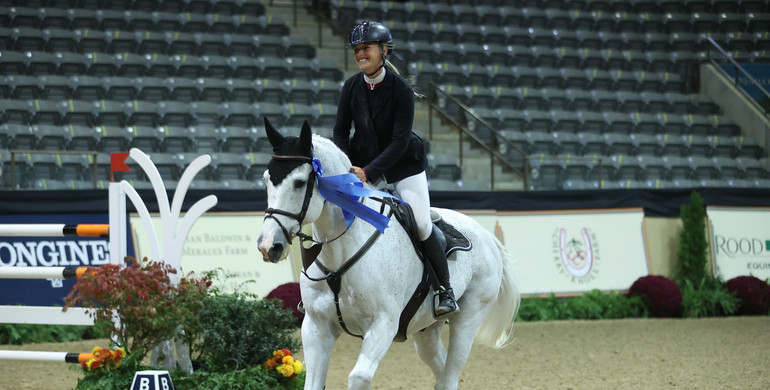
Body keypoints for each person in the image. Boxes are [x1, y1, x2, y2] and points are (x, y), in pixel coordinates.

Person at [332, 20, 458, 317]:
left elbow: (400, 141)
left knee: (421, 223)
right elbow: (340, 132)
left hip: (403, 165)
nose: (361, 54)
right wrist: (348, 165)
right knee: (334, 216)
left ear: (383, 51)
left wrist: (369, 173)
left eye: (367, 48)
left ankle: (445, 289)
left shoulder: (400, 89)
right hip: (361, 164)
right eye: (357, 49)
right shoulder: (350, 87)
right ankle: (323, 288)